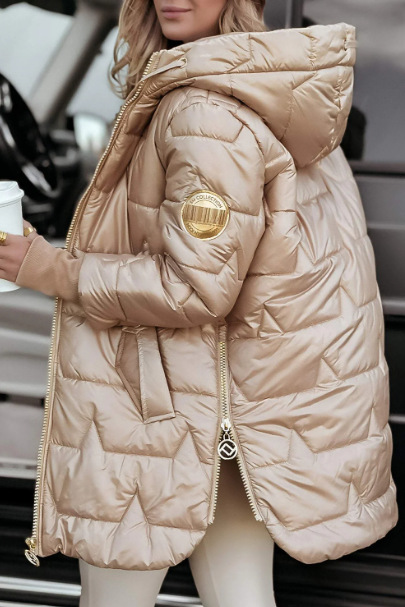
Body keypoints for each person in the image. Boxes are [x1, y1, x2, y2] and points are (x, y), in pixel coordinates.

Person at [1, 0, 398, 606]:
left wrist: (46, 268)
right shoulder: (275, 91)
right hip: (238, 405)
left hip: (172, 409)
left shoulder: (202, 110)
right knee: (240, 594)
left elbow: (193, 286)